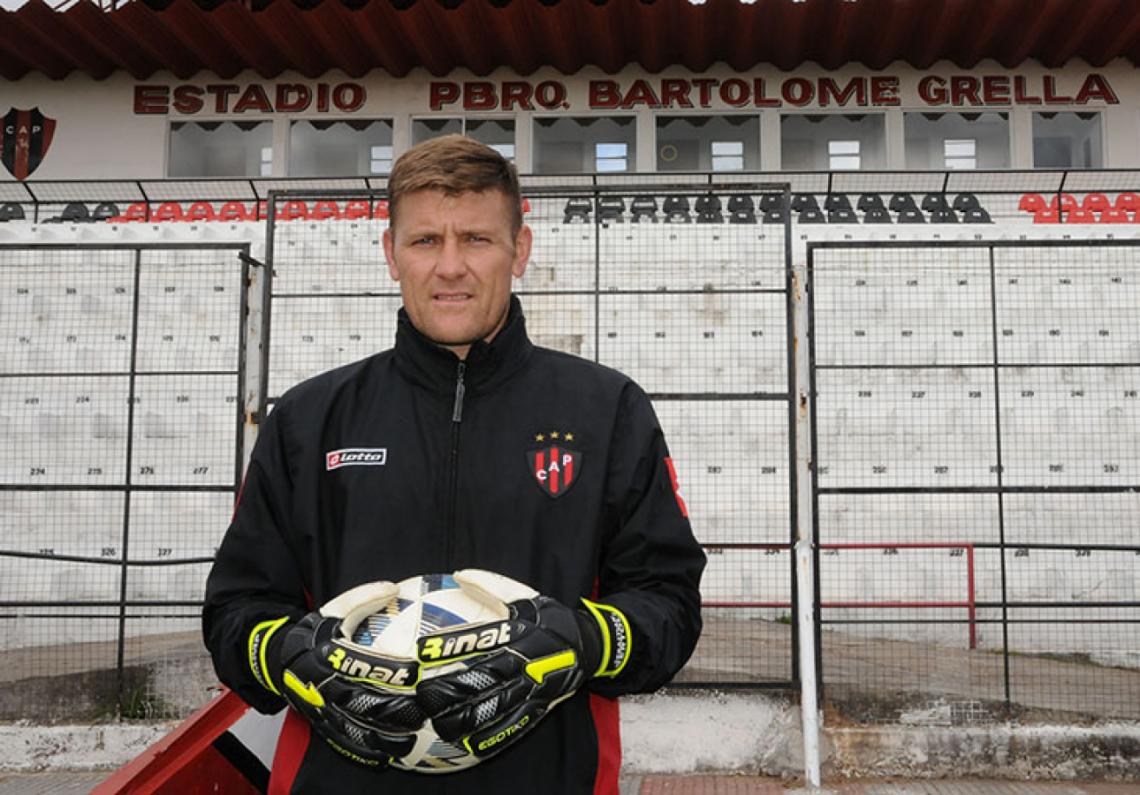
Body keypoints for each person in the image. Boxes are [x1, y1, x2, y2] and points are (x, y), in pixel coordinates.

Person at [202, 134, 705, 794]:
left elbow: (668, 606)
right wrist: (290, 654)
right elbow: (235, 611)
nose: (450, 266)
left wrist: (579, 638)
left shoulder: (607, 410)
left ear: (519, 250)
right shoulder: (308, 420)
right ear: (390, 254)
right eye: (425, 240)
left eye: (475, 238)